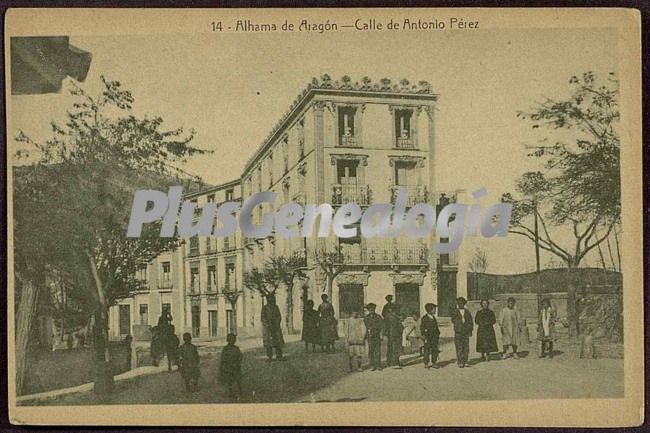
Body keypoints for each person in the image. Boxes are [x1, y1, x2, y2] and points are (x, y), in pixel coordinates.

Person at [450, 297, 473, 368]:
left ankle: (465, 361)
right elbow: (453, 320)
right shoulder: (455, 312)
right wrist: (458, 326)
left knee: (466, 347)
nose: (461, 304)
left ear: (464, 304)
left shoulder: (467, 312)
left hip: (465, 332)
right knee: (459, 347)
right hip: (458, 332)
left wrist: (470, 330)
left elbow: (470, 322)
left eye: (462, 303)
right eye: (459, 303)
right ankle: (460, 361)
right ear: (457, 304)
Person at [261, 294, 285, 361]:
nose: (271, 300)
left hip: (276, 328)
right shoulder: (264, 308)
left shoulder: (276, 307)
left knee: (278, 342)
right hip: (268, 329)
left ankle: (279, 355)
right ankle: (269, 356)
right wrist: (267, 325)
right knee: (269, 344)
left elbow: (279, 316)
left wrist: (277, 323)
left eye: (272, 299)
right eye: (270, 299)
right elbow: (263, 318)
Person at [219, 333, 242, 400]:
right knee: (230, 380)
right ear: (228, 340)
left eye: (234, 340)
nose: (233, 341)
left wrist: (238, 363)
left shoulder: (236, 348)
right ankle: (231, 392)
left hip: (236, 366)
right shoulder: (225, 349)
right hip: (228, 367)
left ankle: (239, 390)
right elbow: (223, 358)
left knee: (238, 379)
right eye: (231, 340)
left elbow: (240, 357)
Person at [364, 303, 383, 371]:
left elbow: (381, 327)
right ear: (369, 310)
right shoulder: (366, 318)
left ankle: (378, 365)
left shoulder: (378, 317)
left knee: (377, 350)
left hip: (376, 336)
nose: (371, 311)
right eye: (370, 309)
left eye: (373, 309)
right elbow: (364, 327)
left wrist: (381, 335)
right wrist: (365, 336)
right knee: (371, 350)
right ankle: (372, 365)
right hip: (369, 336)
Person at [420, 303, 440, 369]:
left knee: (435, 350)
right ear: (430, 310)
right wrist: (424, 335)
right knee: (427, 350)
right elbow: (422, 328)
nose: (435, 310)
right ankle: (426, 363)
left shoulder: (434, 318)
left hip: (434, 337)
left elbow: (436, 327)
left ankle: (434, 362)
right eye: (434, 309)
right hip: (428, 337)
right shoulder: (424, 318)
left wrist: (438, 334)